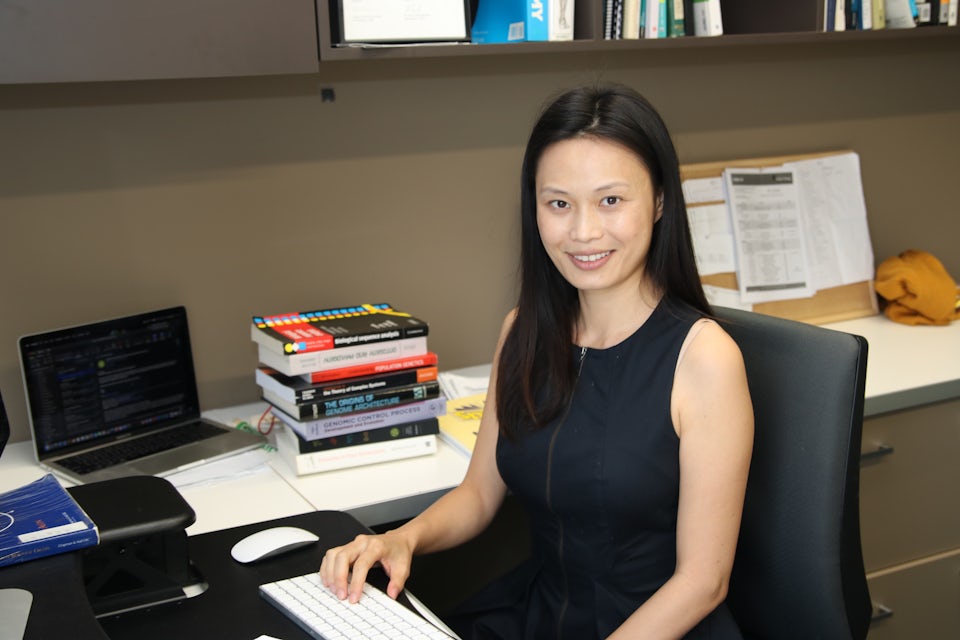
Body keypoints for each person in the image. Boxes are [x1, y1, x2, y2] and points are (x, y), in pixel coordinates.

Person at [320, 84, 754, 639]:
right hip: (542, 613)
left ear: (661, 201)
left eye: (611, 201)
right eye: (559, 204)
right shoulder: (523, 331)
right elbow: (479, 494)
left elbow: (702, 582)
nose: (583, 232)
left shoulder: (705, 358)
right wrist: (401, 539)